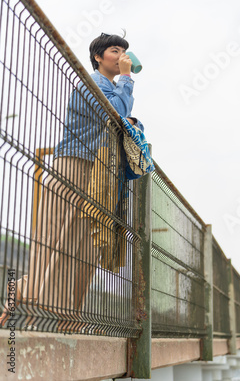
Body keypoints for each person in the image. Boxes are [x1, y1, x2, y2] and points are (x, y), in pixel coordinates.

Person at [0, 32, 143, 330]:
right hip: (74, 167)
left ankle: (67, 317)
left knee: (85, 248)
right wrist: (128, 79)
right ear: (98, 57)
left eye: (124, 52)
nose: (121, 56)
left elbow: (121, 116)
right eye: (115, 51)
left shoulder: (113, 88)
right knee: (57, 243)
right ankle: (15, 303)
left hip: (97, 175)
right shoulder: (89, 83)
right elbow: (117, 112)